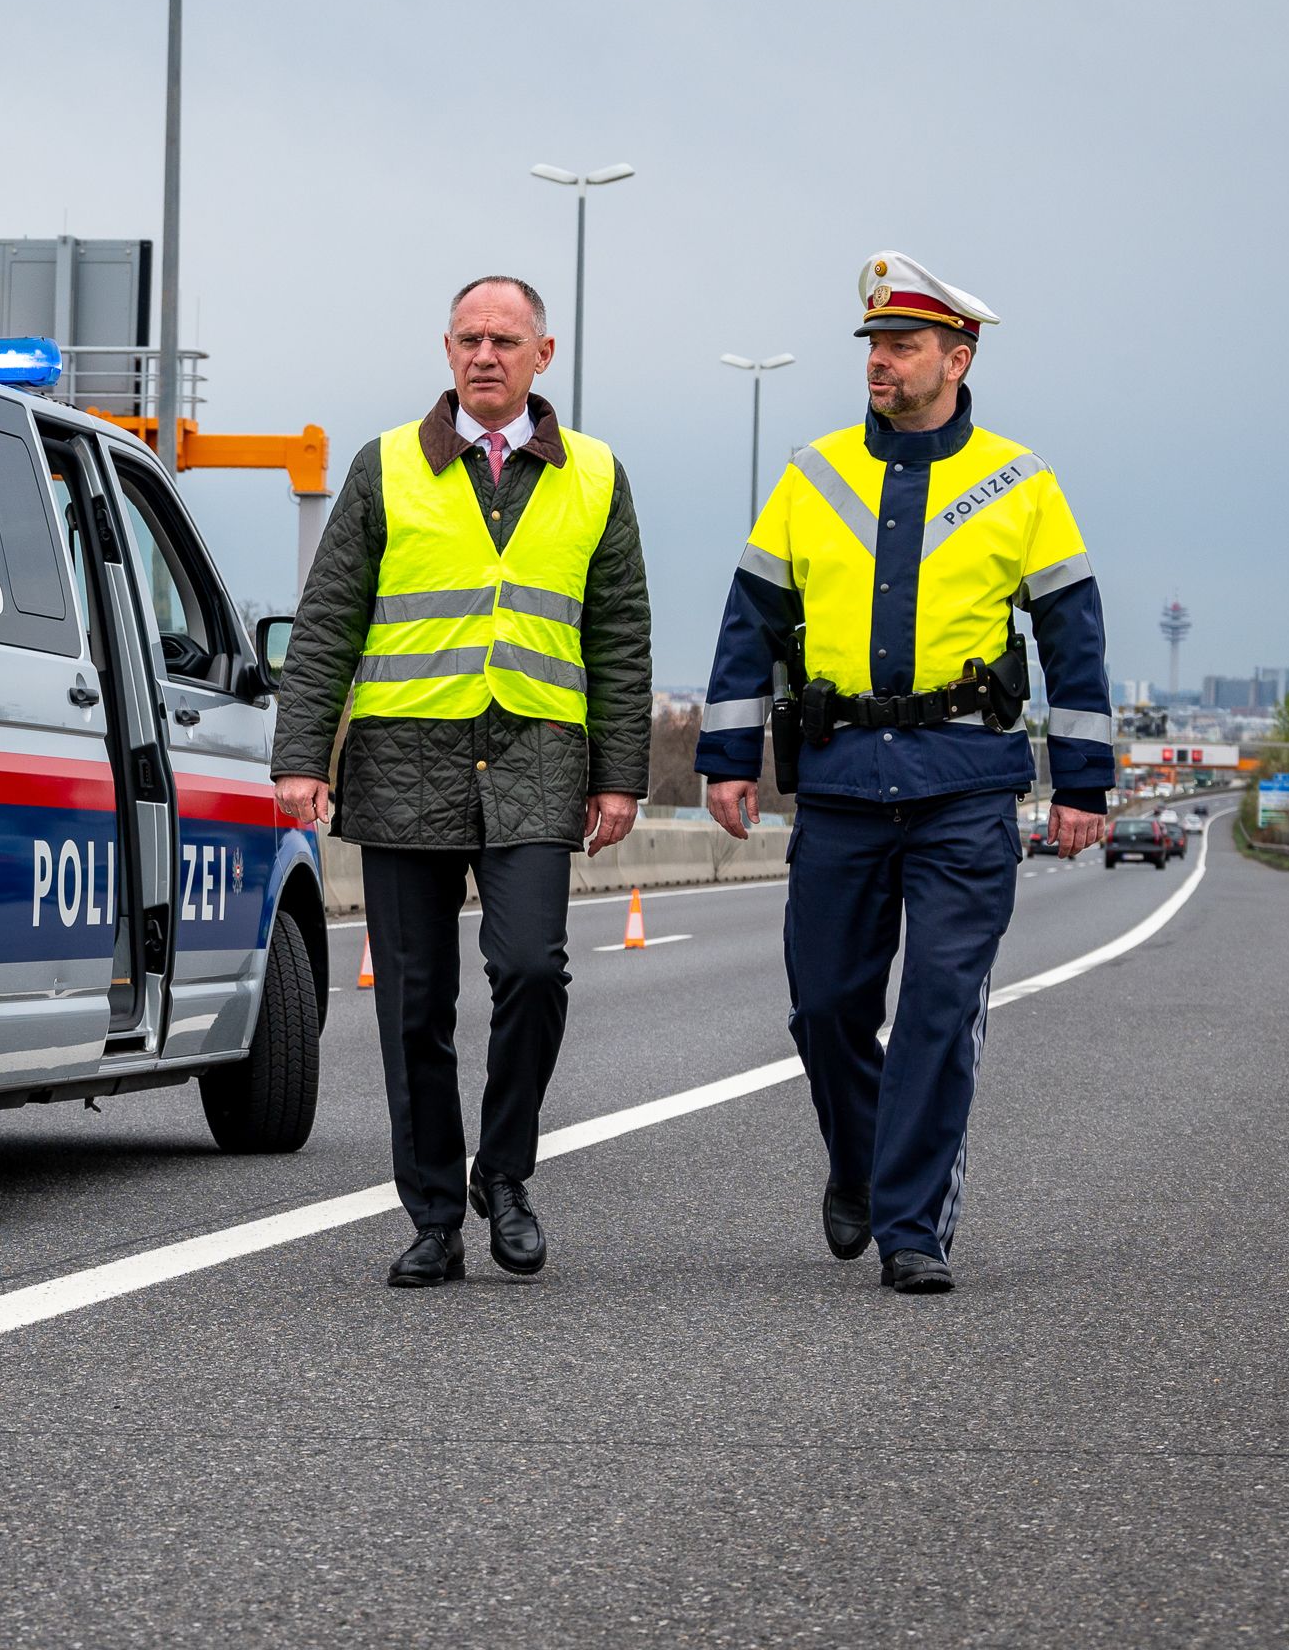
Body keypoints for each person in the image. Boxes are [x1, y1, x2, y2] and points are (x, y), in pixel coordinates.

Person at [698, 252, 1113, 1294]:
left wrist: (1082, 784)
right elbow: (750, 619)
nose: (879, 362)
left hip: (963, 785)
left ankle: (911, 1227)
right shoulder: (812, 475)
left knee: (938, 999)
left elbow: (1073, 638)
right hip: (839, 783)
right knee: (825, 1006)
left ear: (955, 358)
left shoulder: (1020, 483)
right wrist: (723, 758)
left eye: (901, 346)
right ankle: (861, 1156)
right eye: (874, 345)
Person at [275, 275, 651, 1287]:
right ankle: (434, 1214)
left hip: (533, 759)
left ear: (543, 354)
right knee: (412, 1002)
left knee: (531, 967)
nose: (484, 355)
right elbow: (325, 626)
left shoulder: (595, 475)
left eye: (504, 340)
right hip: (404, 763)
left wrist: (618, 775)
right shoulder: (384, 466)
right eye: (467, 339)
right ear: (446, 351)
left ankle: (508, 1175)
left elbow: (617, 635)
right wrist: (301, 757)